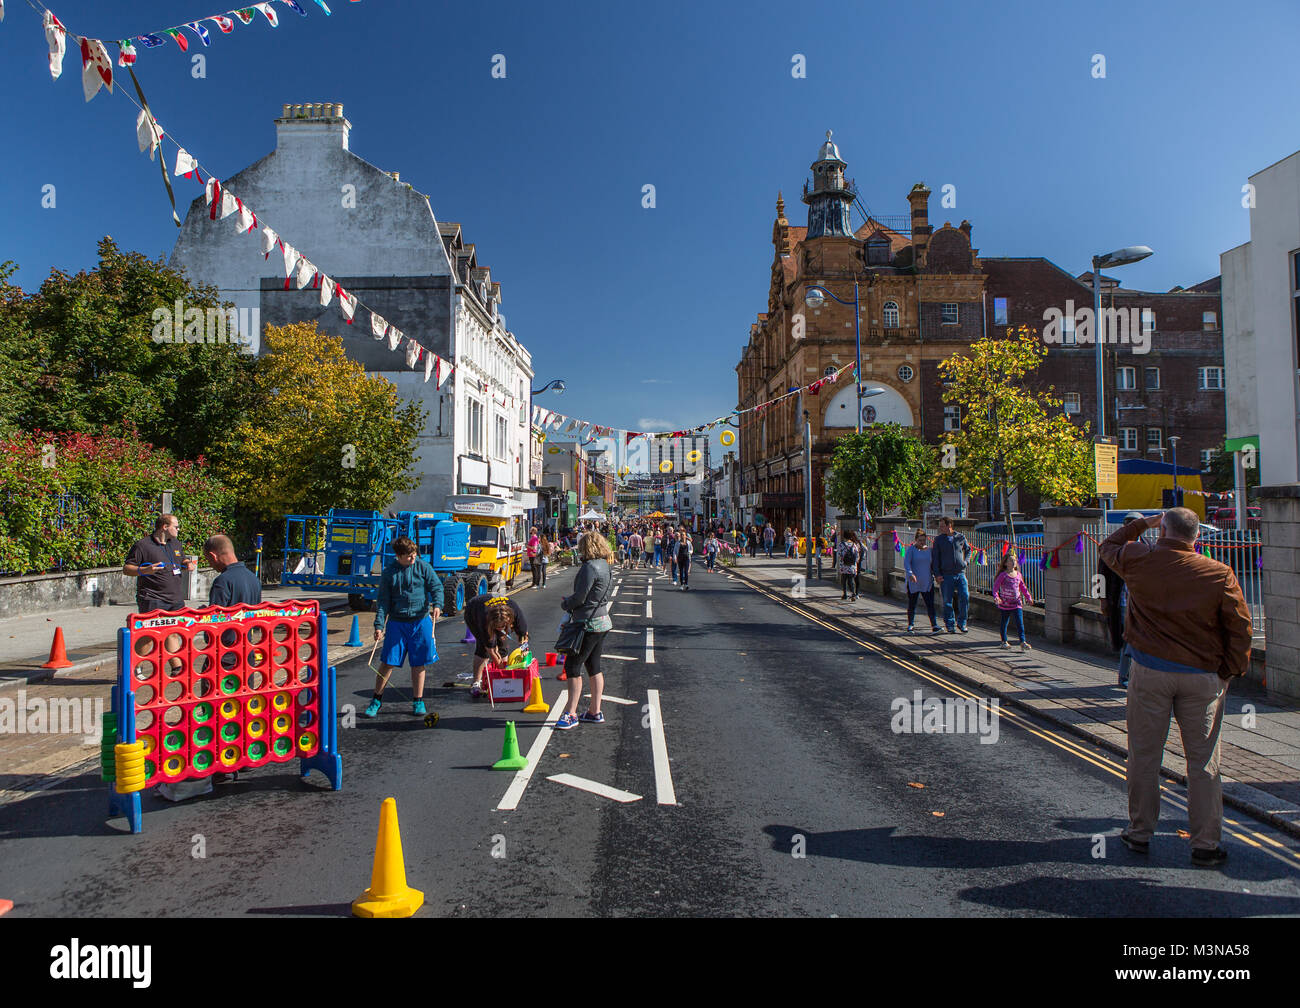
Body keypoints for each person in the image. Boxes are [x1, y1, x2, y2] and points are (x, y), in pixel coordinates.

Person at [1101, 508, 1253, 868]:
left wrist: (1143, 524)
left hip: (1149, 671)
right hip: (1202, 677)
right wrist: (1228, 672)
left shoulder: (1140, 558)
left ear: (1163, 529)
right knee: (1203, 763)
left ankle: (1139, 833)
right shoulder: (1219, 573)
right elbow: (1241, 628)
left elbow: (1108, 547)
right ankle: (1205, 844)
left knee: (1144, 756)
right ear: (1196, 537)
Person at [364, 536, 444, 718]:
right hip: (397, 623)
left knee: (418, 663)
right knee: (388, 663)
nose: (413, 558)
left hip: (421, 620)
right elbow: (383, 601)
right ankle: (376, 700)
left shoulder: (423, 567)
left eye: (414, 554)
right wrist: (379, 625)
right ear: (399, 556)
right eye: (410, 556)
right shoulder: (389, 572)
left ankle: (418, 701)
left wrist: (438, 605)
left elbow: (436, 587)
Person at [556, 532, 615, 730]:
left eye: (581, 547)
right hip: (603, 621)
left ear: (587, 547)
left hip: (587, 623)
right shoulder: (605, 566)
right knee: (594, 666)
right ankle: (594, 711)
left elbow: (580, 597)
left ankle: (571, 713)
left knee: (572, 667)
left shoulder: (589, 568)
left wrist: (566, 604)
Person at [1100, 512, 1146, 688]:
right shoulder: (1112, 548)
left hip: (1142, 604)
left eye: (1135, 524)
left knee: (1139, 641)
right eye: (1128, 524)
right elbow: (1099, 576)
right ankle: (1125, 676)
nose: (1131, 528)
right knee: (1128, 640)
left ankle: (1134, 675)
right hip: (1121, 603)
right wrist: (1101, 600)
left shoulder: (1148, 546)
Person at [124, 514, 196, 614]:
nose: (178, 529)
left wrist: (188, 563)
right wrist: (144, 570)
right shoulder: (143, 545)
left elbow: (182, 559)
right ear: (165, 527)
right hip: (153, 600)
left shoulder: (176, 543)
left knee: (177, 629)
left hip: (177, 601)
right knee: (154, 630)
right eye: (176, 527)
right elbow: (127, 569)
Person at [461, 592, 530, 697]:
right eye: (497, 627)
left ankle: (503, 675)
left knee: (502, 644)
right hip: (474, 610)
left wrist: (524, 651)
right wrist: (503, 671)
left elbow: (523, 636)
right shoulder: (483, 618)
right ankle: (476, 683)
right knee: (483, 650)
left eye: (503, 626)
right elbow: (492, 651)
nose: (500, 629)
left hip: (495, 612)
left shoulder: (516, 612)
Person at [932, 516, 971, 634]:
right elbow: (935, 558)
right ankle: (950, 624)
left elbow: (968, 550)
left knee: (964, 596)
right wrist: (937, 574)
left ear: (950, 525)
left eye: (942, 526)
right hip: (946, 575)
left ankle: (962, 622)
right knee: (947, 601)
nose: (940, 528)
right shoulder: (938, 540)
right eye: (940, 526)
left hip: (960, 573)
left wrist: (966, 562)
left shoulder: (960, 537)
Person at [992, 551, 1034, 650]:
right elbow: (995, 588)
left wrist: (1029, 598)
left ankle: (1023, 642)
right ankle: (1004, 641)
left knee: (1020, 623)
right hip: (1005, 604)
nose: (1014, 562)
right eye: (1011, 560)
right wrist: (996, 597)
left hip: (1017, 603)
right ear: (1006, 563)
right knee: (1004, 622)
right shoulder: (1003, 575)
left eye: (1014, 560)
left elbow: (1023, 587)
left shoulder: (1018, 574)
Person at [204, 535, 262, 606]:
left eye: (208, 560)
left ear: (213, 556)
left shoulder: (222, 581)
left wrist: (203, 613)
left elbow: (216, 615)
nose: (210, 565)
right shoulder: (254, 578)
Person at [904, 528, 940, 633]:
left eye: (924, 540)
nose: (922, 542)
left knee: (930, 605)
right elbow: (907, 563)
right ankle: (910, 624)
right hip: (914, 582)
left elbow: (933, 565)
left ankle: (934, 625)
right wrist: (910, 574)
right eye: (920, 540)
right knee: (912, 604)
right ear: (916, 540)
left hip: (927, 581)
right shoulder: (911, 550)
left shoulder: (930, 550)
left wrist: (937, 575)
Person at [838, 529, 862, 601]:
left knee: (844, 580)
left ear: (844, 536)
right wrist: (855, 562)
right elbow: (857, 556)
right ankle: (853, 593)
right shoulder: (854, 545)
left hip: (844, 565)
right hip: (852, 566)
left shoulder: (841, 544)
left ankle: (844, 594)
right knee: (851, 580)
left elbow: (839, 554)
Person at [677, 525, 694, 590]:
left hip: (686, 557)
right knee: (681, 571)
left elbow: (691, 549)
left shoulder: (688, 542)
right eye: (681, 535)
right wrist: (675, 557)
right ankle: (681, 584)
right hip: (680, 558)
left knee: (686, 572)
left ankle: (686, 584)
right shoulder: (678, 543)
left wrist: (689, 552)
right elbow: (675, 551)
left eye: (683, 534)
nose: (682, 535)